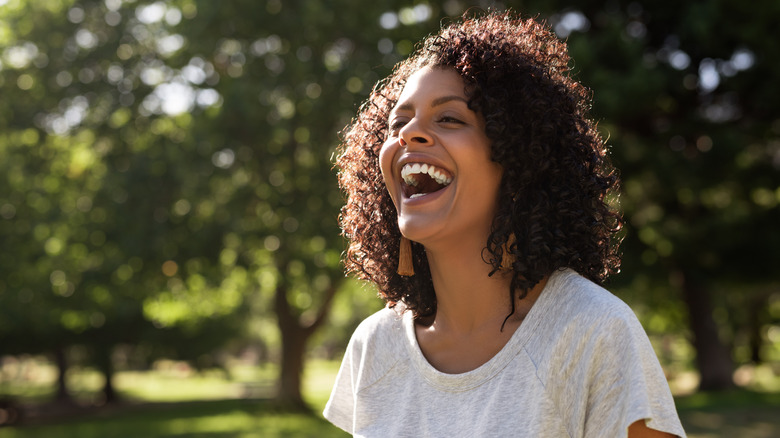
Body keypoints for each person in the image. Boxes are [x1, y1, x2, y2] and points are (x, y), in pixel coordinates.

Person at [325, 10, 686, 438]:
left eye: (450, 118)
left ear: (518, 160)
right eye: (397, 123)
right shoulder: (375, 346)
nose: (408, 135)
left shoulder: (593, 332)